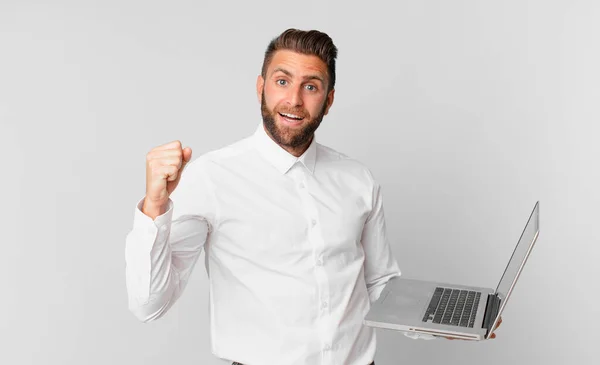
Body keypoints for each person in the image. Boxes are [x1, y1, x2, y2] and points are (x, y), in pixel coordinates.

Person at [125, 28, 500, 365]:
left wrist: (444, 320)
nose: (294, 100)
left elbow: (380, 283)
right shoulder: (212, 177)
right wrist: (155, 206)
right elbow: (149, 305)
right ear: (261, 87)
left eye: (311, 86)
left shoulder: (358, 179)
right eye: (282, 81)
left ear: (329, 98)